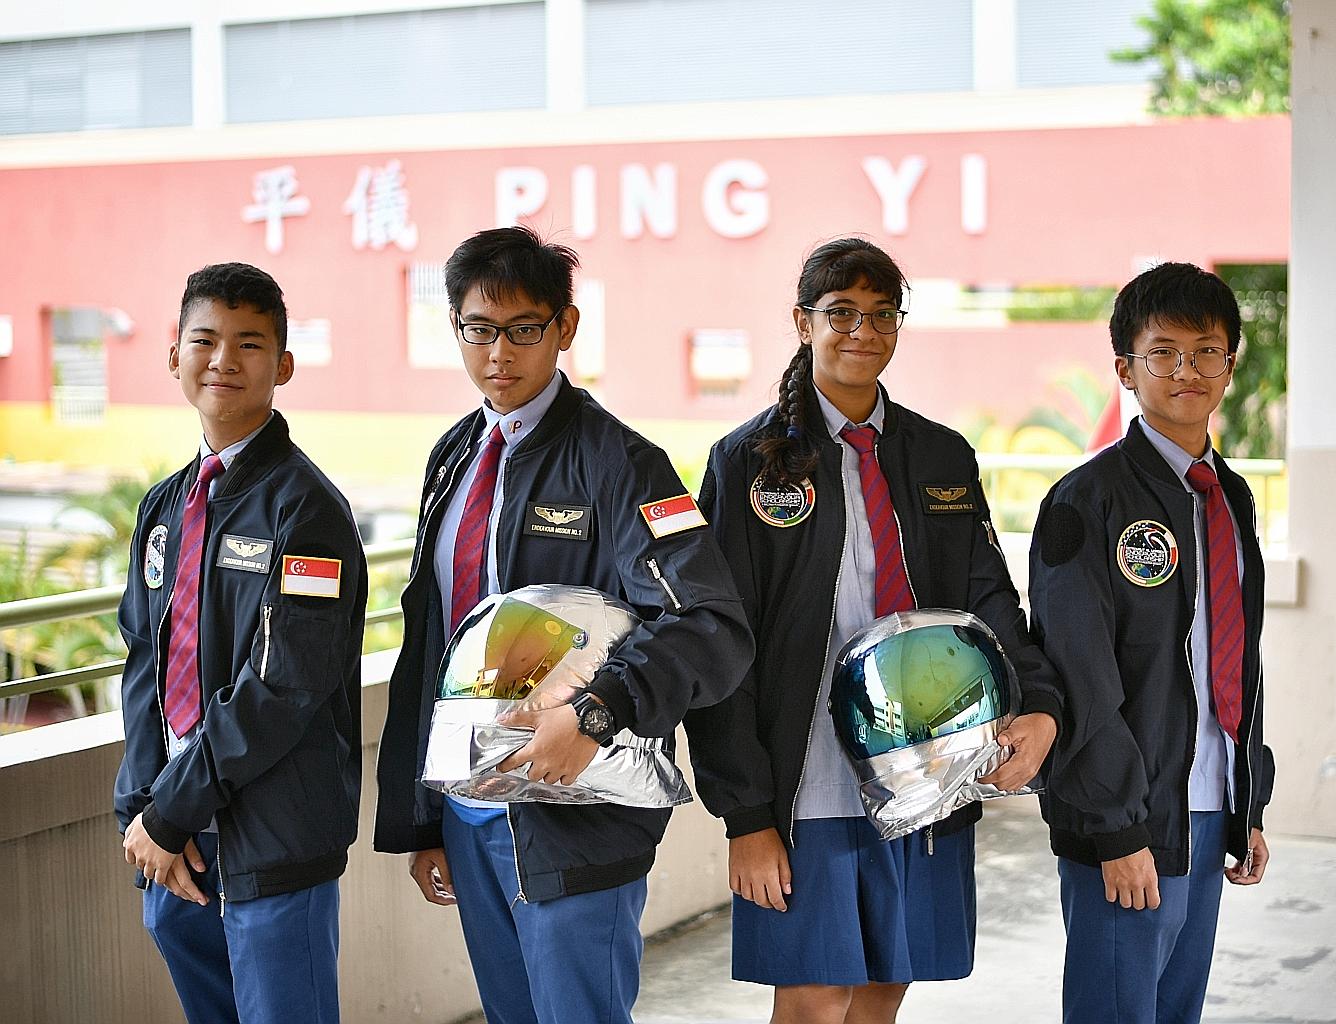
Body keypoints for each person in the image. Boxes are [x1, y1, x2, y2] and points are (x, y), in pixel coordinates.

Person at [372, 226, 753, 1024]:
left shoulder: (623, 464)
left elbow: (707, 622)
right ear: (456, 329)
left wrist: (595, 713)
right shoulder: (455, 457)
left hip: (578, 809)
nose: (499, 353)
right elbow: (433, 643)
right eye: (480, 329)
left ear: (565, 329)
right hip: (470, 812)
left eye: (524, 329)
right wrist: (420, 817)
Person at [684, 237, 1063, 1024]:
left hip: (929, 763)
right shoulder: (745, 463)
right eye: (841, 313)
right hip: (806, 777)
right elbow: (718, 648)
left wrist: (1038, 704)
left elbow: (990, 602)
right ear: (803, 321)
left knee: (887, 983)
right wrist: (747, 818)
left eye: (880, 314)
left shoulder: (941, 456)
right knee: (817, 993)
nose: (862, 330)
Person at [115, 262, 367, 1024]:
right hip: (177, 835)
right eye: (205, 339)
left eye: (249, 344)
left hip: (274, 832)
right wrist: (143, 808)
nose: (223, 360)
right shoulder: (166, 505)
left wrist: (170, 810)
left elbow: (284, 687)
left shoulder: (308, 511)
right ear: (174, 356)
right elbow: (143, 663)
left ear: (282, 366)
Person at [1028, 261, 1277, 1023]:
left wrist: (1248, 798)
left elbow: (1236, 656)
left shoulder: (1229, 494)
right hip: (1128, 818)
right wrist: (1114, 829)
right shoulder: (1087, 500)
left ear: (1229, 365)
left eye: (1206, 351)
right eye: (1162, 351)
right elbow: (1077, 673)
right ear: (1125, 369)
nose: (1186, 370)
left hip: (1207, 805)